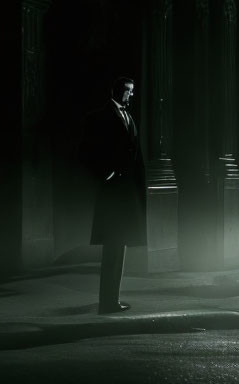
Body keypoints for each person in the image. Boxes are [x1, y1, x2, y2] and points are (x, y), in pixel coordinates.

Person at [82, 76, 146, 314]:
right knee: (112, 248)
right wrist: (104, 173)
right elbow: (87, 150)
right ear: (117, 91)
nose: (131, 95)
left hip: (126, 194)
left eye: (132, 90)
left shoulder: (128, 116)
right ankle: (107, 302)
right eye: (128, 90)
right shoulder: (99, 116)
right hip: (112, 195)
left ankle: (111, 300)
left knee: (119, 248)